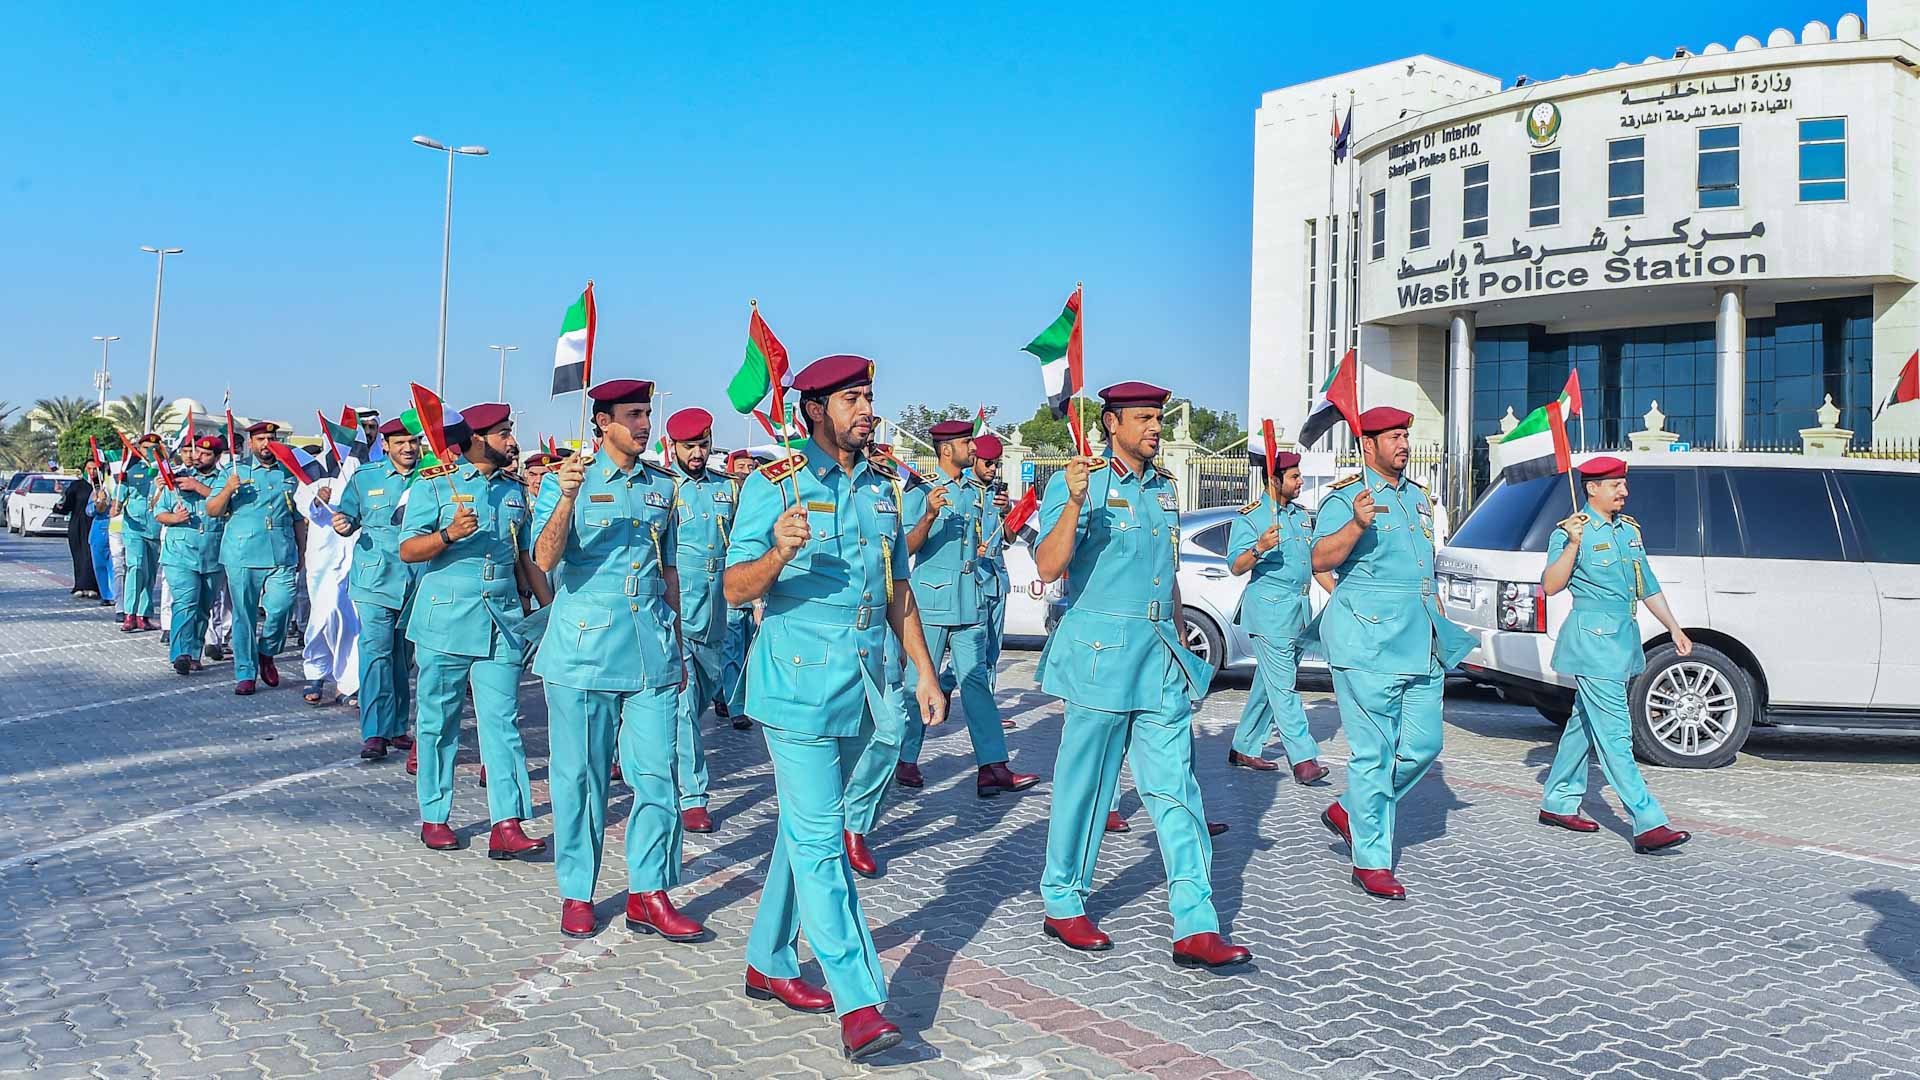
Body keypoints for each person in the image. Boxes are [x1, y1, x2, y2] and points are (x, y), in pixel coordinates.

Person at [725, 354, 946, 1062]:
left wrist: (924, 671)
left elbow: (897, 591)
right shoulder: (774, 486)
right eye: (852, 398)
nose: (867, 409)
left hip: (861, 685)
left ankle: (768, 960)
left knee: (804, 829)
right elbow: (733, 587)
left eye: (870, 396)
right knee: (824, 844)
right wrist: (779, 556)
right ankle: (860, 1003)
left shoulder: (884, 488)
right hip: (794, 686)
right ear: (814, 408)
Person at [1030, 381, 1249, 969]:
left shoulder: (1165, 489)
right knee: (1088, 787)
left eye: (1158, 417)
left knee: (1176, 788)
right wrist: (1075, 503)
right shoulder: (1079, 481)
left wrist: (1179, 635)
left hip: (1157, 656)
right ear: (1112, 423)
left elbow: (1166, 573)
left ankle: (1196, 924)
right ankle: (1063, 900)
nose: (1156, 427)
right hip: (1101, 655)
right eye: (1146, 418)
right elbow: (1049, 565)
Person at [533, 379, 707, 940]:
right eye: (632, 415)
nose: (643, 425)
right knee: (581, 778)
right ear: (601, 423)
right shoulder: (569, 481)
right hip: (584, 651)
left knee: (658, 774)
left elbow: (671, 568)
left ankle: (649, 890)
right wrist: (564, 496)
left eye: (646, 414)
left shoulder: (663, 486)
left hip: (650, 647)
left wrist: (677, 641)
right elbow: (543, 558)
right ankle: (577, 890)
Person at [1310, 407, 1477, 900]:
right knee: (1373, 755)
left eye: (1406, 435)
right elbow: (1318, 559)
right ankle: (1371, 859)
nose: (1403, 443)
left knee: (1425, 745)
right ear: (1368, 446)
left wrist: (1439, 619)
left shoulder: (1418, 499)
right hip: (1368, 641)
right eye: (1394, 437)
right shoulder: (1348, 498)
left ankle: (1349, 809)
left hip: (1420, 639)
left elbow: (1423, 568)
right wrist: (1357, 525)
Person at [398, 404, 545, 860]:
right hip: (445, 620)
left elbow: (527, 558)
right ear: (478, 439)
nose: (512, 442)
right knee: (438, 722)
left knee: (502, 722)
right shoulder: (436, 485)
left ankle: (507, 821)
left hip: (500, 620)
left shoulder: (515, 492)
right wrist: (448, 535)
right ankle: (435, 815)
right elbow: (407, 549)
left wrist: (549, 607)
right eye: (503, 434)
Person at [1538, 456, 1693, 854]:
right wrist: (1573, 543)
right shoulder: (1573, 532)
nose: (1623, 491)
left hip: (1621, 638)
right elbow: (1551, 585)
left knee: (1585, 724)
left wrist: (1674, 627)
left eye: (1623, 484)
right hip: (1592, 641)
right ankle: (1647, 821)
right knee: (1615, 733)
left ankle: (1557, 801)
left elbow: (1647, 583)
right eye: (1614, 485)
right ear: (1592, 489)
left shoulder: (1628, 531)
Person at [893, 420, 1037, 797]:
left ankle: (993, 767)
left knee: (975, 682)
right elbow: (904, 548)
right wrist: (928, 515)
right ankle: (905, 758)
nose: (973, 448)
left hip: (970, 600)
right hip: (932, 603)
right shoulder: (922, 490)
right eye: (966, 442)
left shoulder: (975, 491)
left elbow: (989, 541)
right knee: (915, 685)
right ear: (946, 450)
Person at [1225, 450, 1337, 784]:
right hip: (1269, 613)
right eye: (1294, 477)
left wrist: (1339, 593)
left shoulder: (1302, 516)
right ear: (1275, 480)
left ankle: (1244, 746)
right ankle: (1303, 758)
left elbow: (1315, 564)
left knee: (1270, 684)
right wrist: (1259, 547)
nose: (1301, 481)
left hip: (1298, 613)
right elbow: (1236, 566)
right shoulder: (1252, 517)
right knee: (1284, 687)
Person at [839, 441, 916, 877]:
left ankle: (856, 823)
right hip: (826, 638)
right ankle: (825, 825)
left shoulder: (886, 490)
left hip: (879, 634)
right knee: (834, 741)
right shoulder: (800, 484)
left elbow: (899, 576)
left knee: (890, 732)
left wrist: (918, 660)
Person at [661, 407, 736, 835]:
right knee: (686, 708)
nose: (697, 453)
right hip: (677, 614)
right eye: (690, 446)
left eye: (703, 445)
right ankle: (693, 795)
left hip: (716, 615)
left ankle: (640, 746)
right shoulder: (666, 489)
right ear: (674, 446)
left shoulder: (727, 489)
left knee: (705, 694)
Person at [333, 417, 422, 760]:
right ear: (385, 446)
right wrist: (343, 524)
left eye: (412, 441)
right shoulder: (366, 478)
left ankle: (398, 726)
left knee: (403, 656)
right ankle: (373, 733)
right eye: (399, 442)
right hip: (374, 579)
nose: (408, 447)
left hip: (416, 578)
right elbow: (347, 518)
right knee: (375, 653)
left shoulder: (429, 478)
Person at [206, 421, 304, 695]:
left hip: (281, 552)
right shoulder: (235, 471)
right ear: (251, 443)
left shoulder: (289, 472)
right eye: (260, 439)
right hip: (242, 553)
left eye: (271, 438)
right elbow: (212, 510)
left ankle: (268, 651)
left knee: (282, 607)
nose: (266, 444)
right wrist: (228, 489)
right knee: (244, 616)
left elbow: (297, 515)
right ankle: (246, 672)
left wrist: (302, 551)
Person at [153, 436, 229, 675]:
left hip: (212, 553)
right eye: (196, 453)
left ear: (217, 457)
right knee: (186, 602)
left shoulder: (224, 480)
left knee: (203, 606)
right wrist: (174, 518)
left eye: (206, 454)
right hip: (180, 553)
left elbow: (227, 505)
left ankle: (194, 652)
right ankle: (180, 653)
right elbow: (159, 512)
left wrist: (198, 488)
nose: (198, 457)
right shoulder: (176, 479)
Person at [295, 463, 360, 706]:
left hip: (357, 554)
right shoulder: (315, 467)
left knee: (352, 619)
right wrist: (316, 500)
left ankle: (348, 682)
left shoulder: (371, 466)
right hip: (324, 558)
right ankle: (316, 670)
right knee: (325, 614)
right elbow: (303, 504)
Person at [715, 449, 761, 731]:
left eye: (750, 466)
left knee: (743, 650)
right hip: (729, 584)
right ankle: (736, 707)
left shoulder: (755, 499)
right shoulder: (727, 495)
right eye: (740, 465)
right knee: (731, 649)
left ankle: (722, 694)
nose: (746, 471)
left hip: (752, 584)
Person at [970, 434, 1012, 701]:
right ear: (974, 459)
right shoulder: (964, 491)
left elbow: (1010, 537)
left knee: (993, 649)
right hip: (974, 579)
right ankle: (948, 682)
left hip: (997, 578)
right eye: (987, 463)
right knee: (973, 649)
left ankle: (989, 706)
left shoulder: (999, 495)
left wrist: (1007, 511)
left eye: (996, 464)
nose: (992, 470)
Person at [116, 433, 166, 632]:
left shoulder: (166, 471)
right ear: (139, 448)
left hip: (155, 527)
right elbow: (118, 500)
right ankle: (129, 613)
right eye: (146, 448)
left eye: (154, 448)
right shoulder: (130, 471)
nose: (150, 452)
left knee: (149, 572)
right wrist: (113, 505)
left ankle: (143, 615)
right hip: (133, 527)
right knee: (136, 567)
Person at [55, 464, 101, 598]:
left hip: (96, 525)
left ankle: (93, 586)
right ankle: (80, 585)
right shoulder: (77, 485)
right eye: (89, 468)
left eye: (95, 469)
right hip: (78, 525)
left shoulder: (102, 485)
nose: (92, 472)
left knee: (91, 556)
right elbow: (67, 504)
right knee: (79, 555)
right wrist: (59, 503)